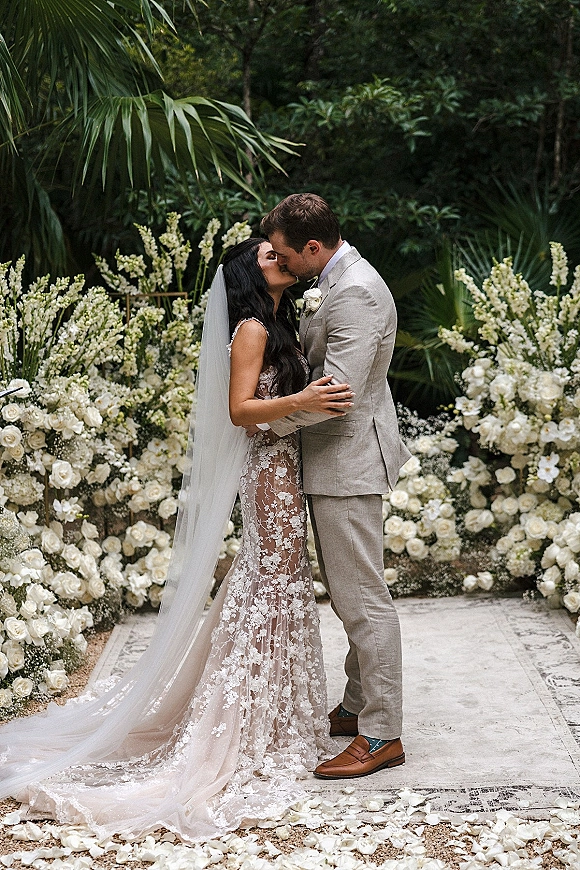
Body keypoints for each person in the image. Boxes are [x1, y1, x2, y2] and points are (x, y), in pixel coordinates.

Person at [0, 238, 352, 842]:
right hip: (266, 470)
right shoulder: (249, 328)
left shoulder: (277, 320)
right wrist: (303, 399)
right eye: (269, 253)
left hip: (285, 468)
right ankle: (245, 721)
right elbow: (240, 409)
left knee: (283, 581)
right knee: (270, 579)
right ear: (251, 270)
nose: (280, 256)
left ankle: (270, 715)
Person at [260, 193, 411, 778]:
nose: (279, 261)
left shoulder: (353, 293)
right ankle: (354, 706)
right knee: (352, 591)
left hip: (347, 462)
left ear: (314, 248)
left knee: (361, 599)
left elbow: (336, 397)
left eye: (283, 253)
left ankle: (381, 734)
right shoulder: (337, 276)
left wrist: (263, 420)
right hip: (336, 460)